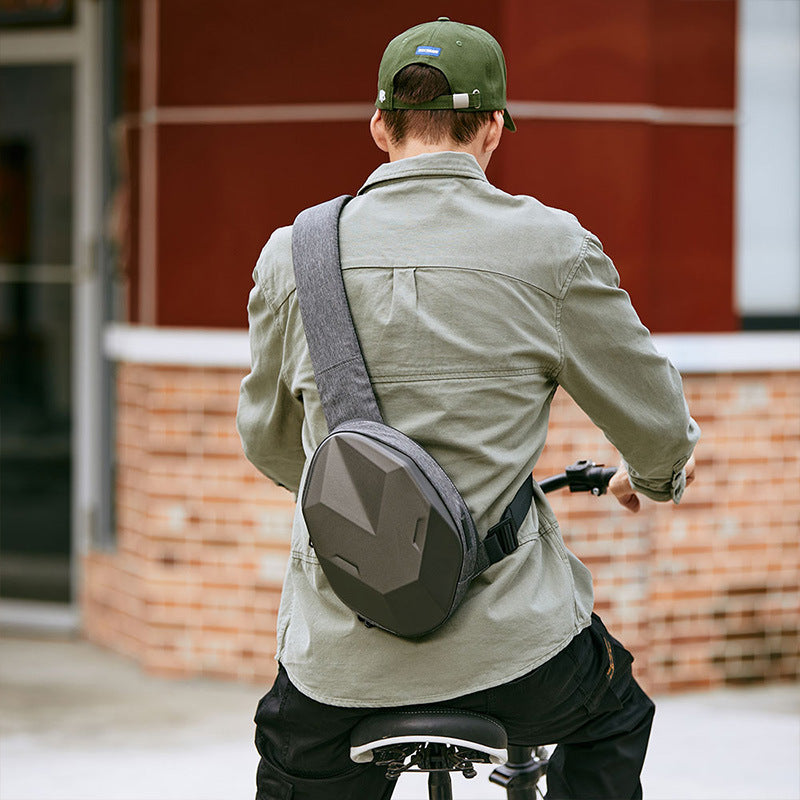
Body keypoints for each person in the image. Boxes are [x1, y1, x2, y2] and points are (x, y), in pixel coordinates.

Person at [236, 17, 699, 800]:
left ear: (380, 124)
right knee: (617, 713)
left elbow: (270, 443)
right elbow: (659, 428)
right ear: (492, 127)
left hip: (339, 666)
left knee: (296, 760)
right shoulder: (551, 249)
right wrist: (648, 480)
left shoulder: (295, 253)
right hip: (519, 660)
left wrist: (369, 507)